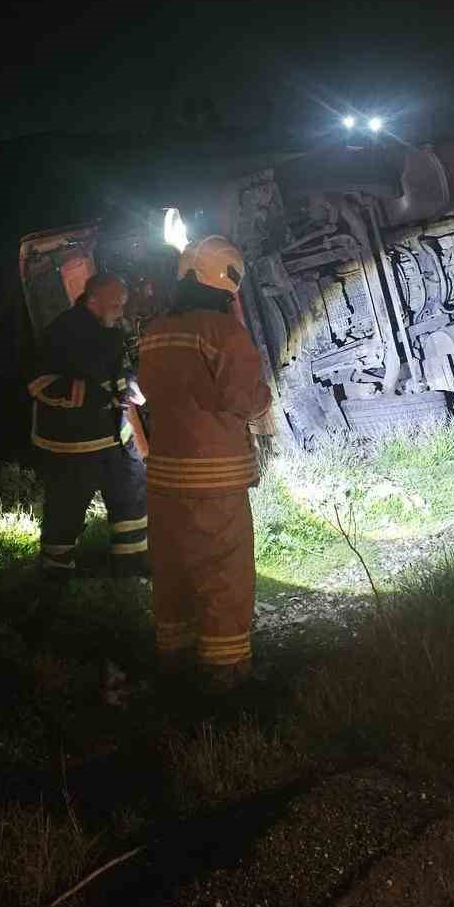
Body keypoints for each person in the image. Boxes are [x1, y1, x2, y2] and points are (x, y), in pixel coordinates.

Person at [137, 236, 271, 692]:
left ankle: (173, 655)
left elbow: (149, 392)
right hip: (215, 475)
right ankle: (226, 671)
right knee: (223, 568)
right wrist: (263, 398)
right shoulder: (224, 332)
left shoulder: (156, 331)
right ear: (227, 284)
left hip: (164, 475)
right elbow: (244, 400)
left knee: (173, 565)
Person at [27, 272, 149, 576]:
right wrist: (98, 396)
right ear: (93, 299)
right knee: (67, 503)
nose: (121, 311)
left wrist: (129, 387)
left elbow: (121, 369)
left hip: (116, 437)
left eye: (123, 305)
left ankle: (131, 563)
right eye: (116, 304)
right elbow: (39, 383)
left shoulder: (111, 330)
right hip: (72, 442)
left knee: (131, 495)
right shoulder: (60, 333)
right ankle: (56, 568)